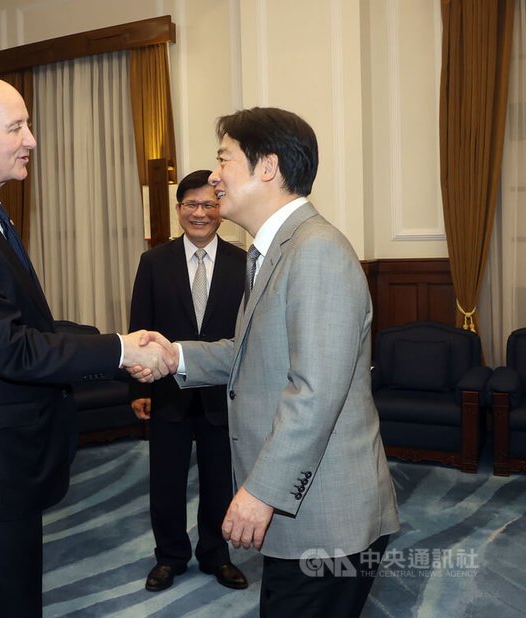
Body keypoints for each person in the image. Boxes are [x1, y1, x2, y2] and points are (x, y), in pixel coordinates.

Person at [0, 76, 171, 617]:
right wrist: (121, 353)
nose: (32, 140)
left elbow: (28, 325)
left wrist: (119, 342)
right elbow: (13, 350)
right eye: (16, 127)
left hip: (5, 460)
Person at [135, 107, 399, 617]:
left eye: (224, 160)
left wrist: (261, 492)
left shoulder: (316, 252)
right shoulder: (274, 251)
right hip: (301, 513)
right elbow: (248, 352)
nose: (214, 177)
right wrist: (174, 355)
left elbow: (316, 393)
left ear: (268, 167)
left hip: (326, 518)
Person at [128, 170, 248, 592]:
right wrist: (139, 389)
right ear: (179, 209)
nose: (200, 213)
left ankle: (216, 554)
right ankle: (170, 557)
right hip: (167, 393)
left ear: (221, 209)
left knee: (219, 481)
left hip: (222, 394)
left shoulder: (243, 263)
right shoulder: (154, 262)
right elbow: (140, 329)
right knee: (166, 481)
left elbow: (248, 335)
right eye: (191, 204)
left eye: (209, 204)